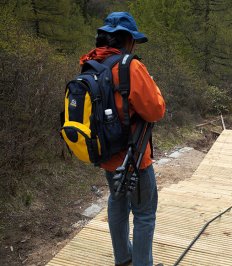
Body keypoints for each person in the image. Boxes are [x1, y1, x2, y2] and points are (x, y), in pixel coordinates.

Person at [80, 12, 165, 266]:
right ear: (128, 40)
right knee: (144, 214)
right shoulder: (131, 66)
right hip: (134, 158)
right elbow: (156, 110)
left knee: (117, 202)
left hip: (107, 154)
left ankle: (123, 259)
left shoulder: (90, 63)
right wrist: (155, 87)